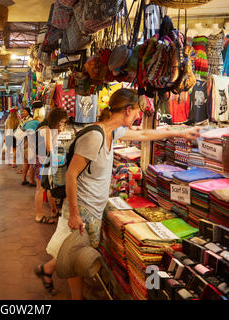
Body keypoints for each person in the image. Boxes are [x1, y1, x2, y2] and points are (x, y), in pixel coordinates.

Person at [34, 88, 200, 297]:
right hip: (82, 208)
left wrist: (179, 132)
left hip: (94, 209)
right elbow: (71, 175)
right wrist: (74, 213)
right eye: (138, 112)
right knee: (74, 256)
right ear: (128, 110)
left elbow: (144, 134)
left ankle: (46, 270)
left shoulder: (113, 131)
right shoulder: (95, 136)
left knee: (73, 252)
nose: (140, 116)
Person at [34, 108, 68, 224]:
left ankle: (54, 210)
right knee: (41, 188)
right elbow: (50, 148)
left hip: (41, 159)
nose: (62, 124)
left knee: (48, 186)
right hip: (42, 160)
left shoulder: (44, 126)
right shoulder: (46, 129)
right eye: (62, 121)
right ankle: (39, 215)